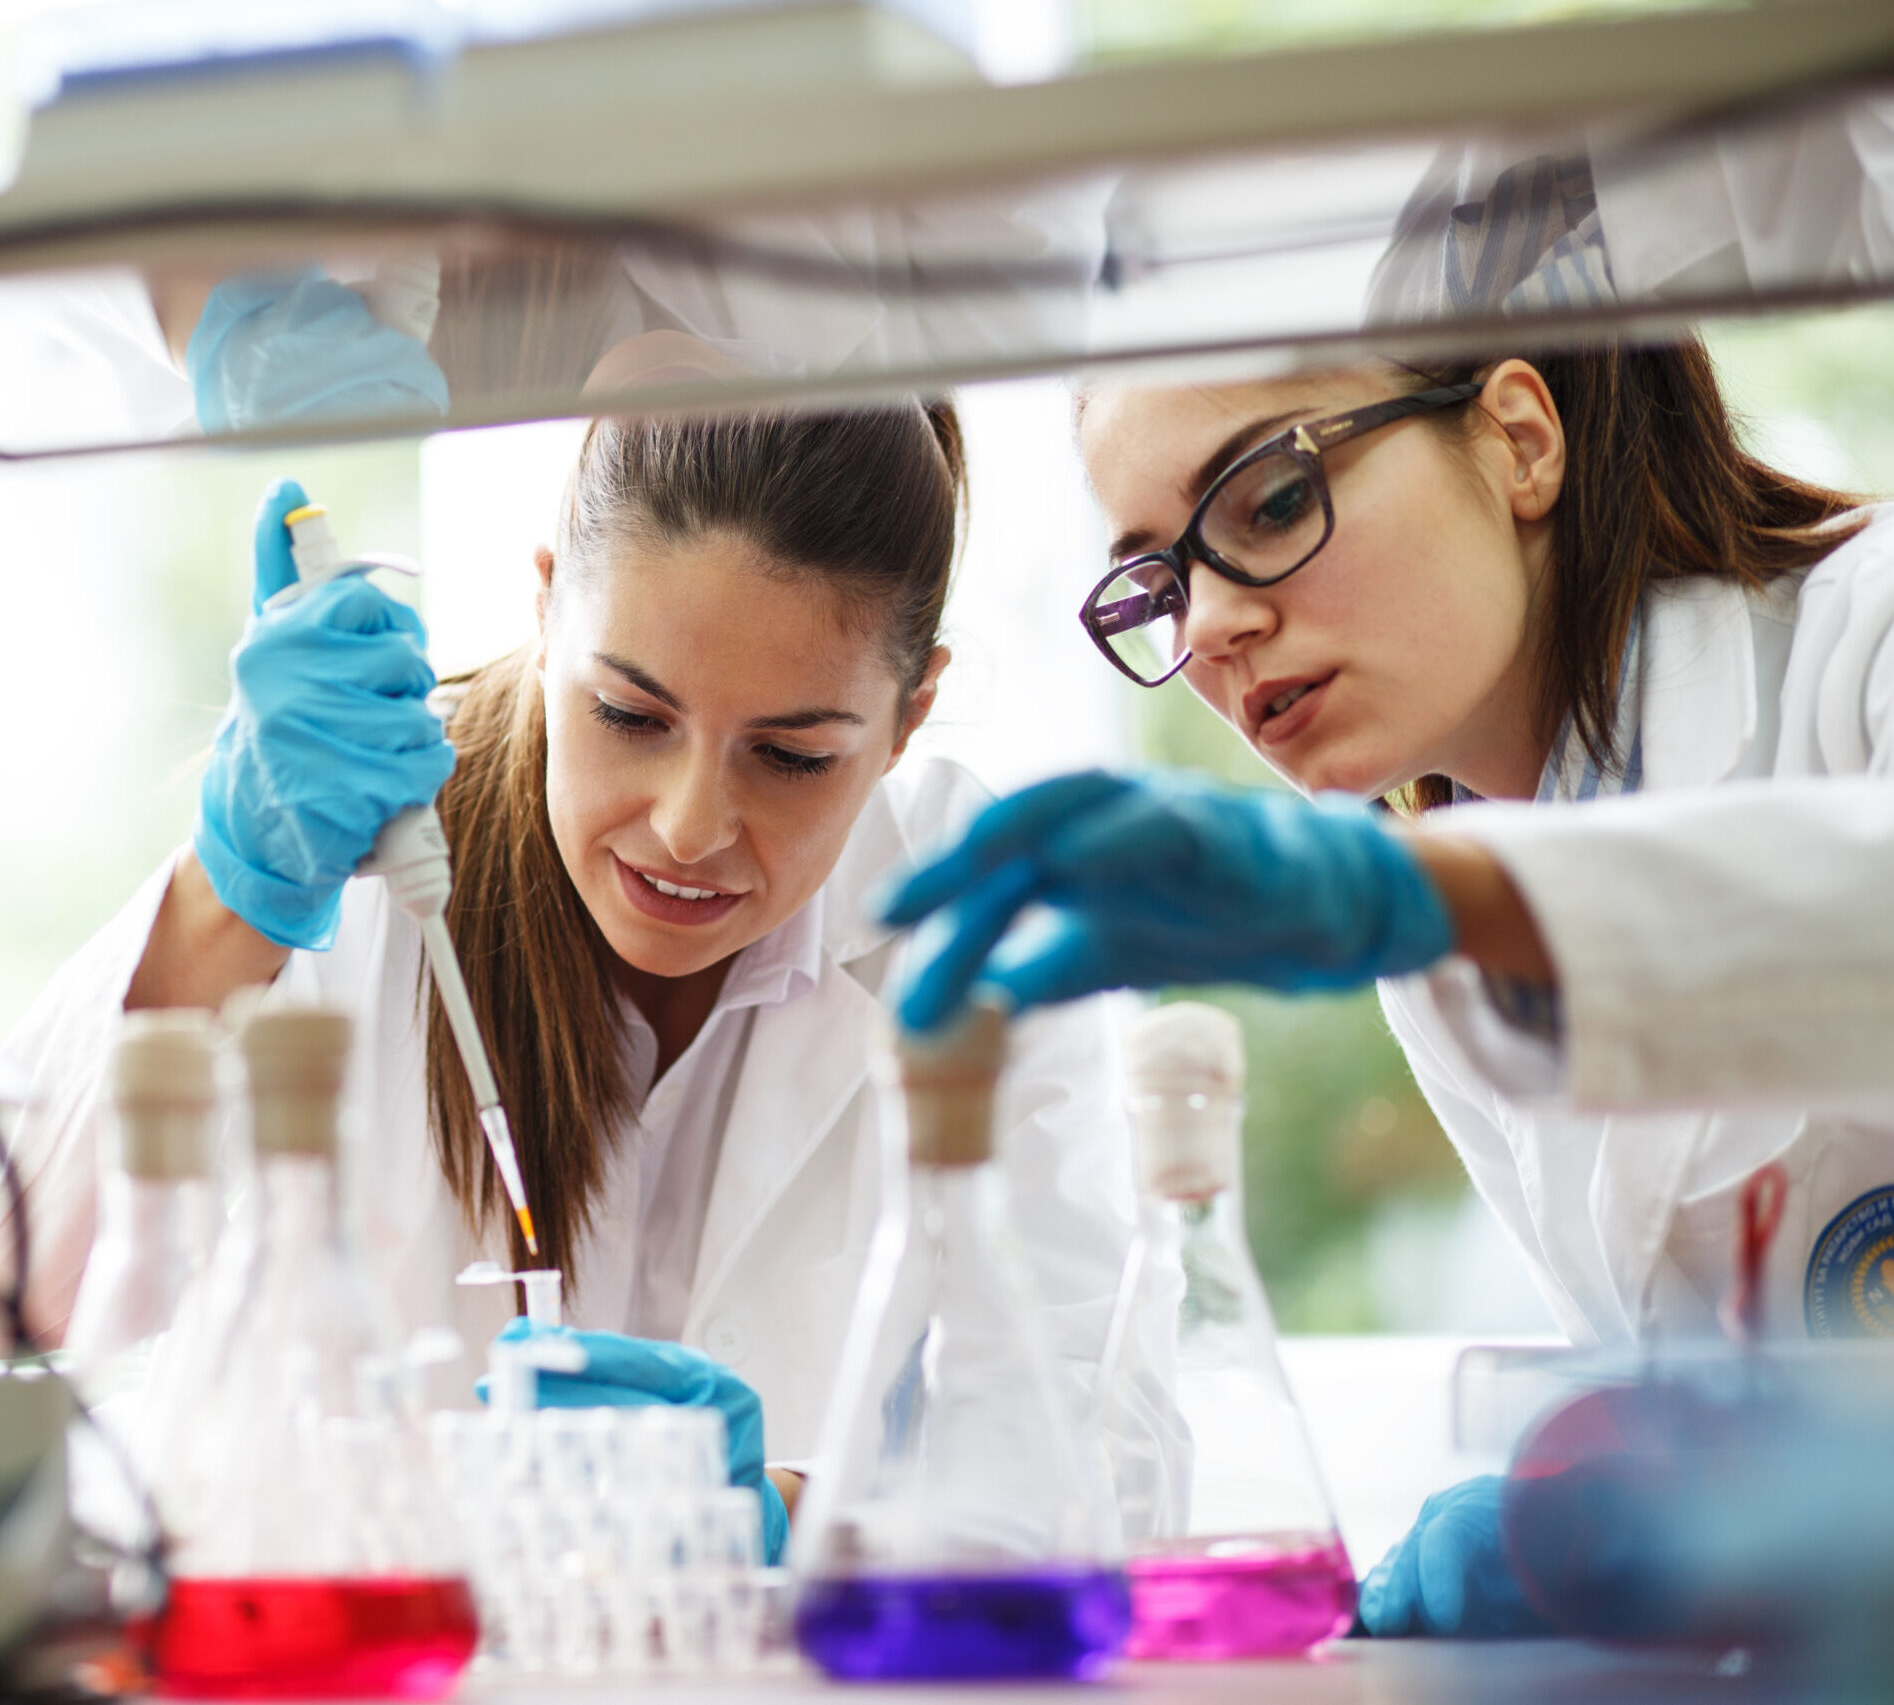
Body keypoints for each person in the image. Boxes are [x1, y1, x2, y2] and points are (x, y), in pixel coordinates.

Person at [877, 157, 1894, 1628]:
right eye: (1155, 583)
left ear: (1519, 438)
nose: (1215, 620)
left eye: (1272, 497)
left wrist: (1456, 900)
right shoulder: (1441, 929)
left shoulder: (1860, 639)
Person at [3, 400, 1183, 1563]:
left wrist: (781, 1517)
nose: (687, 826)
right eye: (629, 714)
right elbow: (31, 1301)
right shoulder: (359, 854)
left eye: (791, 756)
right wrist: (227, 893)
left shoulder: (983, 927)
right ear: (546, 598)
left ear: (907, 714)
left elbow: (1108, 1471)